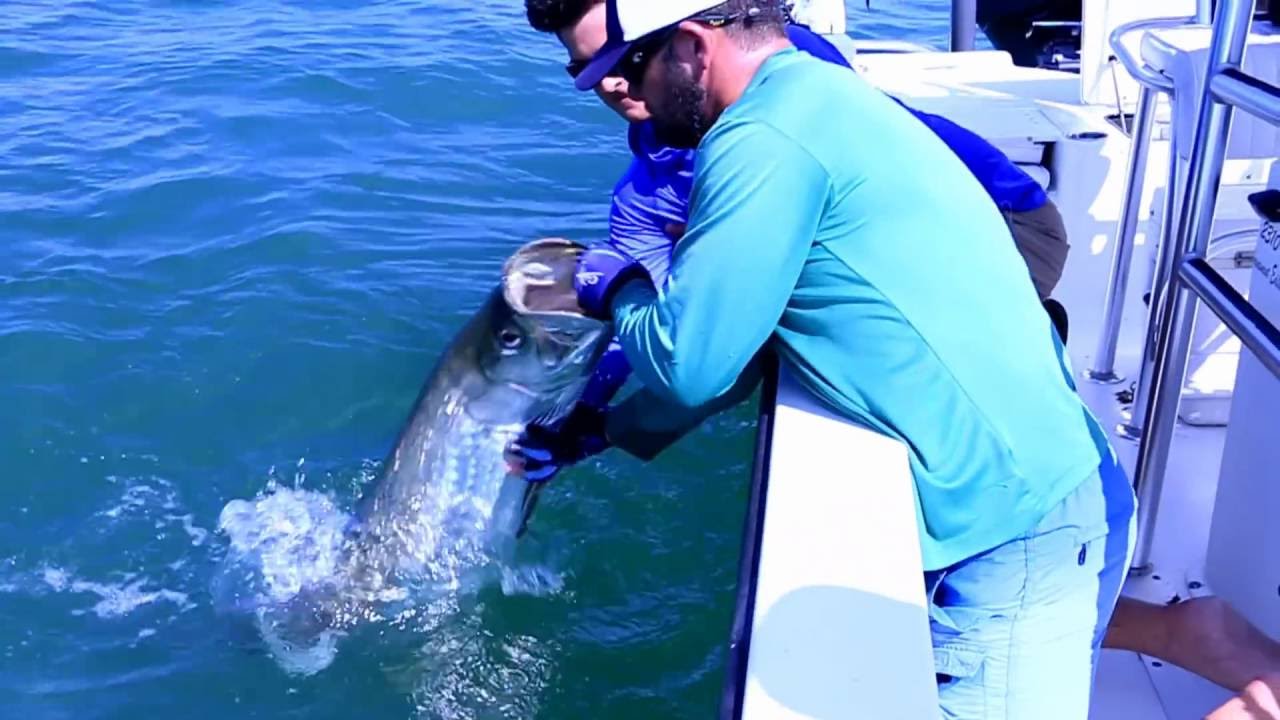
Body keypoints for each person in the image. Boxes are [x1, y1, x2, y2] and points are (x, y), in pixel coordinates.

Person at [510, 0, 1135, 716]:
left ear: (691, 44)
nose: (615, 93)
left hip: (1012, 527)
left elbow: (691, 364)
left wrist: (615, 288)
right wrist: (602, 430)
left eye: (622, 67)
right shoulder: (813, 89)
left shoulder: (758, 141)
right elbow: (732, 356)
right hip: (1049, 486)